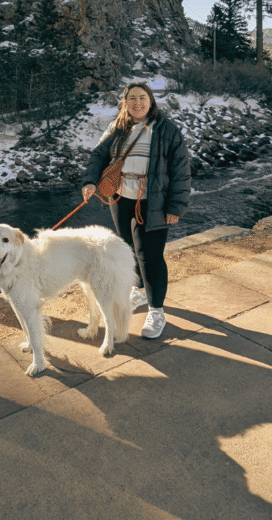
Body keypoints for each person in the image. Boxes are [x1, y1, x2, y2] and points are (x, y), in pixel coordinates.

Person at [81, 82, 191, 339]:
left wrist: (175, 207)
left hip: (152, 201)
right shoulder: (117, 128)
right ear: (125, 103)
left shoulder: (167, 131)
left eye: (143, 98)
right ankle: (140, 292)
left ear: (151, 102)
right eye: (132, 98)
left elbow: (181, 172)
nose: (137, 103)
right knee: (129, 249)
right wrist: (89, 181)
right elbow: (98, 156)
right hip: (121, 198)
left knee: (149, 256)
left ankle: (156, 311)